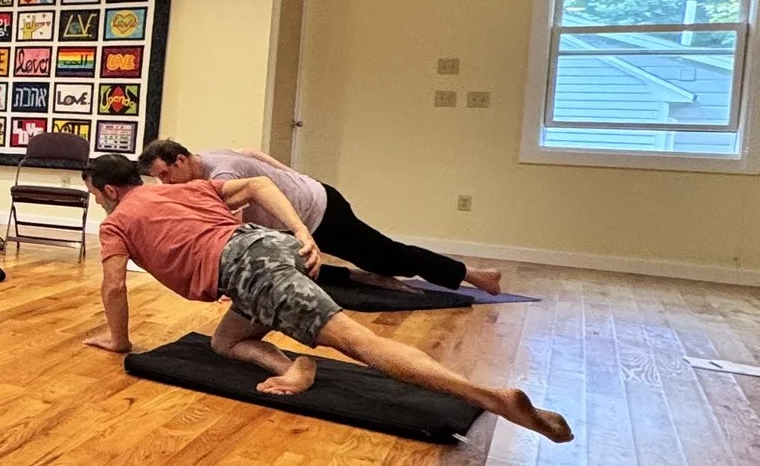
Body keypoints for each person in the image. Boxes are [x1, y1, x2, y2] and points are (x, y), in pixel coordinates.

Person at [82, 154, 568, 442]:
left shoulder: (117, 222)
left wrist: (119, 341)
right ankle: (293, 366)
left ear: (107, 189)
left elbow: (114, 285)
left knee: (359, 343)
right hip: (267, 249)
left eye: (94, 194)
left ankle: (491, 398)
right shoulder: (181, 191)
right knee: (226, 341)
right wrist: (300, 234)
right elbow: (256, 182)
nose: (97, 202)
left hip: (248, 268)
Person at [138, 140, 502, 295]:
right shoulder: (205, 158)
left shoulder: (223, 175)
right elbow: (252, 151)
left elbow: (226, 227)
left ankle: (477, 276)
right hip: (313, 198)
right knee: (314, 267)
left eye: (165, 175)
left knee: (392, 258)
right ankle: (371, 279)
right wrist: (294, 175)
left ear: (181, 160)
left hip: (323, 213)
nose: (164, 183)